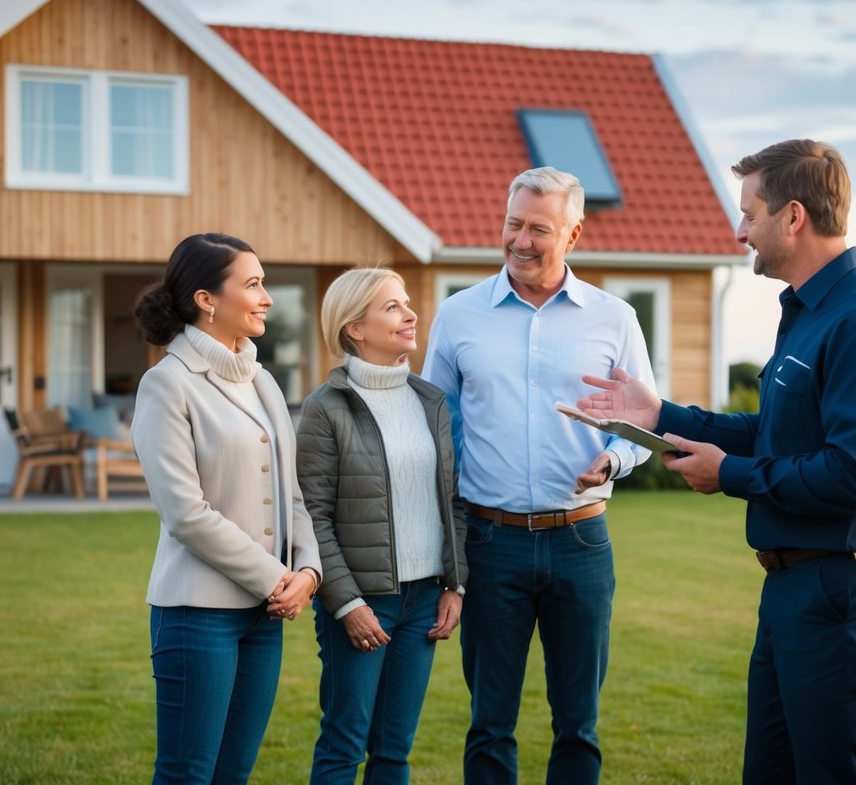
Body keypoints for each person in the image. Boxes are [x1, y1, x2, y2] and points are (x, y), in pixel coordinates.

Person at [577, 139, 856, 785]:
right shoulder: (804, 313)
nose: (738, 230)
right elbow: (774, 432)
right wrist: (659, 415)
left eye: (748, 213)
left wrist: (728, 476)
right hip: (793, 589)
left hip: (840, 592)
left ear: (792, 217)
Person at [422, 167, 657, 785]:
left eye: (539, 229)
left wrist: (612, 459)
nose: (521, 240)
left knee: (578, 724)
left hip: (581, 543)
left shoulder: (615, 319)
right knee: (489, 722)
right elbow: (434, 429)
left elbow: (642, 426)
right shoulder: (458, 315)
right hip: (489, 544)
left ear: (573, 235)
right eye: (513, 224)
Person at [132, 232, 322, 785]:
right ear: (206, 299)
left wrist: (308, 571)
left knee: (233, 773)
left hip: (265, 616)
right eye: (254, 284)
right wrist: (276, 578)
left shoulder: (261, 380)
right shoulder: (165, 385)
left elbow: (294, 491)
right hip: (196, 615)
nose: (266, 298)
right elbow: (186, 513)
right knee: (188, 774)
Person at [297, 267, 467, 784]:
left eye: (407, 302)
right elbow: (313, 518)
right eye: (392, 307)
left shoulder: (431, 402)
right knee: (344, 744)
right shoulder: (326, 409)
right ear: (355, 328)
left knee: (394, 751)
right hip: (361, 603)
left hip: (424, 603)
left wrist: (455, 584)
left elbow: (452, 501)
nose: (411, 314)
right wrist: (348, 605)